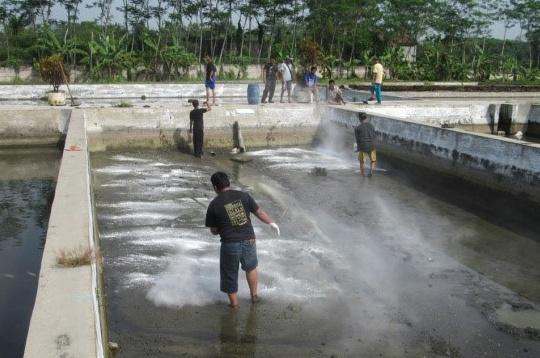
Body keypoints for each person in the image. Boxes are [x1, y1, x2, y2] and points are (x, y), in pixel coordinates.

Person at [205, 172, 280, 308]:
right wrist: (271, 223)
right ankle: (254, 296)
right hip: (249, 240)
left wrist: (219, 227)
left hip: (230, 244)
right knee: (251, 268)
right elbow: (259, 212)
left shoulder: (214, 205)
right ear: (229, 183)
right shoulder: (243, 196)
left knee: (229, 273)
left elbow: (214, 231)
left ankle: (234, 304)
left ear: (215, 187)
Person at [354, 112, 377, 177]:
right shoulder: (371, 126)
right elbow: (374, 136)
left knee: (362, 161)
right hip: (372, 146)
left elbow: (357, 140)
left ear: (359, 119)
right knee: (373, 160)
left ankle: (363, 175)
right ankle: (371, 172)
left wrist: (357, 148)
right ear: (366, 118)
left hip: (363, 146)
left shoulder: (357, 128)